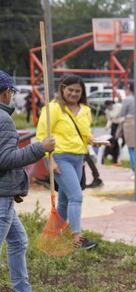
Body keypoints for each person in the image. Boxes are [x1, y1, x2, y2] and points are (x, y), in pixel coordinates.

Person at [0, 71, 55, 292]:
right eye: (12, 91)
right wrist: (40, 148)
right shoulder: (4, 120)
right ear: (5, 92)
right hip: (1, 193)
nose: (12, 95)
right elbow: (6, 159)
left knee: (19, 240)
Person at [34, 75, 98, 250]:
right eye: (70, 90)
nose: (74, 93)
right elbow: (41, 136)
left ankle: (50, 238)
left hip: (78, 158)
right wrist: (50, 160)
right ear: (62, 89)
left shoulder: (85, 110)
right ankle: (77, 238)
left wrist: (92, 139)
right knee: (76, 197)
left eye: (78, 91)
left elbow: (85, 132)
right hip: (59, 158)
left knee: (64, 200)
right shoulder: (53, 109)